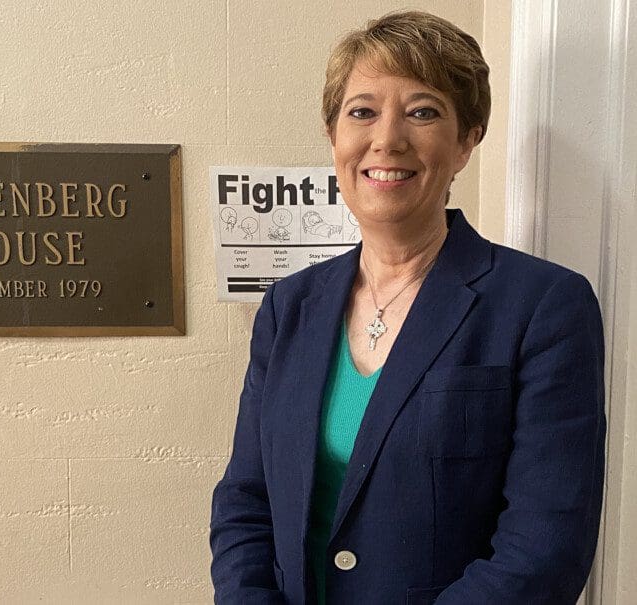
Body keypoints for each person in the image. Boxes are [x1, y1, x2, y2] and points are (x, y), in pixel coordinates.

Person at [209, 10, 606, 605]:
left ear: (468, 140)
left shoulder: (544, 306)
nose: (386, 139)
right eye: (361, 111)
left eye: (423, 112)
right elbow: (246, 499)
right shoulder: (290, 306)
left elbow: (543, 549)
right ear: (334, 135)